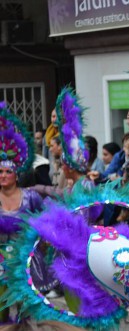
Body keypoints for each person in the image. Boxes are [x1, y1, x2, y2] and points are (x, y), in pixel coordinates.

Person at [0, 102, 45, 322]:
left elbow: (44, 224)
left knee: (26, 312)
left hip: (24, 261)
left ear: (17, 175)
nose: (3, 175)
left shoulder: (31, 197)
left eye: (8, 171)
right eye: (0, 171)